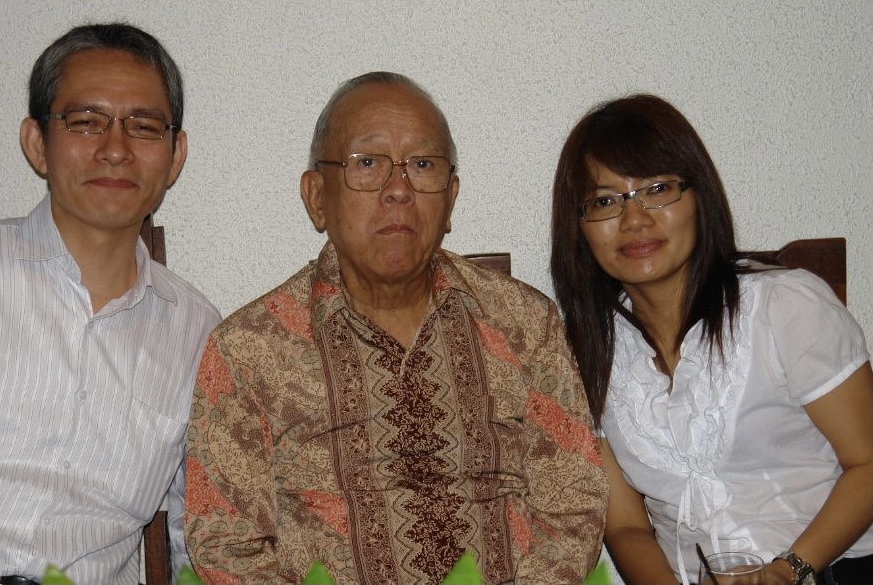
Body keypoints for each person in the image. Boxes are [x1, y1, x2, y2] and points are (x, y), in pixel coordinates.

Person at [184, 71, 607, 584]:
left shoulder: (525, 324)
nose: (399, 190)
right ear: (317, 197)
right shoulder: (247, 350)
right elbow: (225, 545)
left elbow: (573, 502)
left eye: (422, 165)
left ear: (450, 197)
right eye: (367, 164)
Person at [0, 23, 220, 585]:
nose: (115, 149)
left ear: (175, 154)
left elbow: (195, 536)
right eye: (85, 121)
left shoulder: (200, 333)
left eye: (144, 126)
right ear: (37, 142)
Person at [550, 93, 873, 585]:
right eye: (605, 201)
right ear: (580, 227)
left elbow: (867, 462)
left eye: (658, 188)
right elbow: (627, 526)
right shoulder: (585, 351)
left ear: (700, 197)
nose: (635, 220)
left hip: (827, 568)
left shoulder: (784, 305)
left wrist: (789, 570)